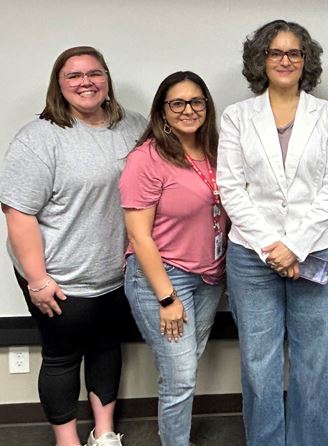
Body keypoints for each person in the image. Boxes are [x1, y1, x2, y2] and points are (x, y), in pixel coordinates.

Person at [0, 46, 146, 446]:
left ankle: (105, 432)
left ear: (107, 79)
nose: (86, 82)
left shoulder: (134, 127)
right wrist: (37, 280)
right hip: (58, 276)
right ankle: (67, 441)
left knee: (106, 347)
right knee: (63, 357)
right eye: (74, 76)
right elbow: (18, 212)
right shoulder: (39, 138)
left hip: (115, 272)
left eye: (94, 73)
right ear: (59, 85)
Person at [216, 19, 328, 446]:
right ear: (261, 59)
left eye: (295, 52)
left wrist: (295, 247)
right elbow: (231, 187)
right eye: (276, 52)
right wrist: (272, 247)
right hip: (252, 255)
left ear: (306, 61)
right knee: (259, 361)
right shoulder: (237, 116)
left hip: (317, 249)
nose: (285, 60)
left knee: (313, 359)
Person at [119, 71, 225, 446]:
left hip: (209, 278)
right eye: (177, 103)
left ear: (207, 107)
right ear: (162, 111)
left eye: (197, 101)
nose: (188, 110)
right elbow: (138, 234)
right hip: (163, 278)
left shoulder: (214, 150)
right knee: (179, 375)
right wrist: (166, 297)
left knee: (184, 367)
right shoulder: (146, 158)